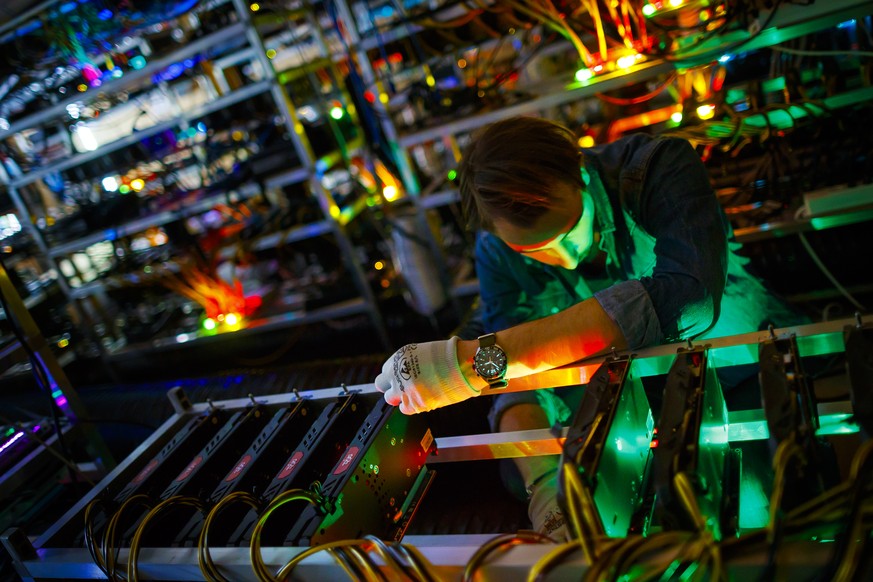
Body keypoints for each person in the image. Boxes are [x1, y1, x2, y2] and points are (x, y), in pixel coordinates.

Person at [374, 116, 805, 539]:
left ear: (579, 170)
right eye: (534, 249)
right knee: (520, 468)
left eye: (567, 230)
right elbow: (523, 388)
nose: (562, 257)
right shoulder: (496, 251)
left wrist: (473, 361)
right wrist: (543, 487)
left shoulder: (657, 167)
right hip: (631, 400)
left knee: (756, 505)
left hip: (735, 370)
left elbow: (690, 299)